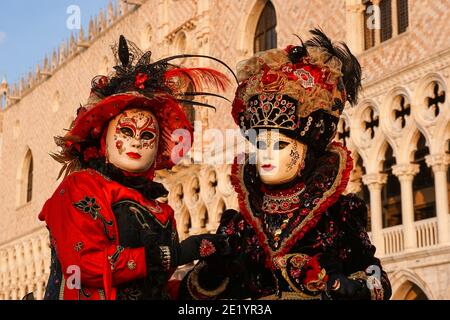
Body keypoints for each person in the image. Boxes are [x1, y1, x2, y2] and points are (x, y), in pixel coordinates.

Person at [179, 29, 392, 300]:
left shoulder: (337, 216)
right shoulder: (240, 225)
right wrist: (214, 271)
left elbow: (378, 280)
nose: (265, 155)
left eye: (279, 145)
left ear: (306, 152)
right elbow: (191, 296)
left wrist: (353, 287)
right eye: (259, 145)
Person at [39, 35, 232, 300]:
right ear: (104, 137)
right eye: (126, 131)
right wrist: (171, 254)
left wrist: (209, 277)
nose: (136, 142)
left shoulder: (160, 209)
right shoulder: (83, 186)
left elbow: (157, 288)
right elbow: (83, 265)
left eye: (147, 136)